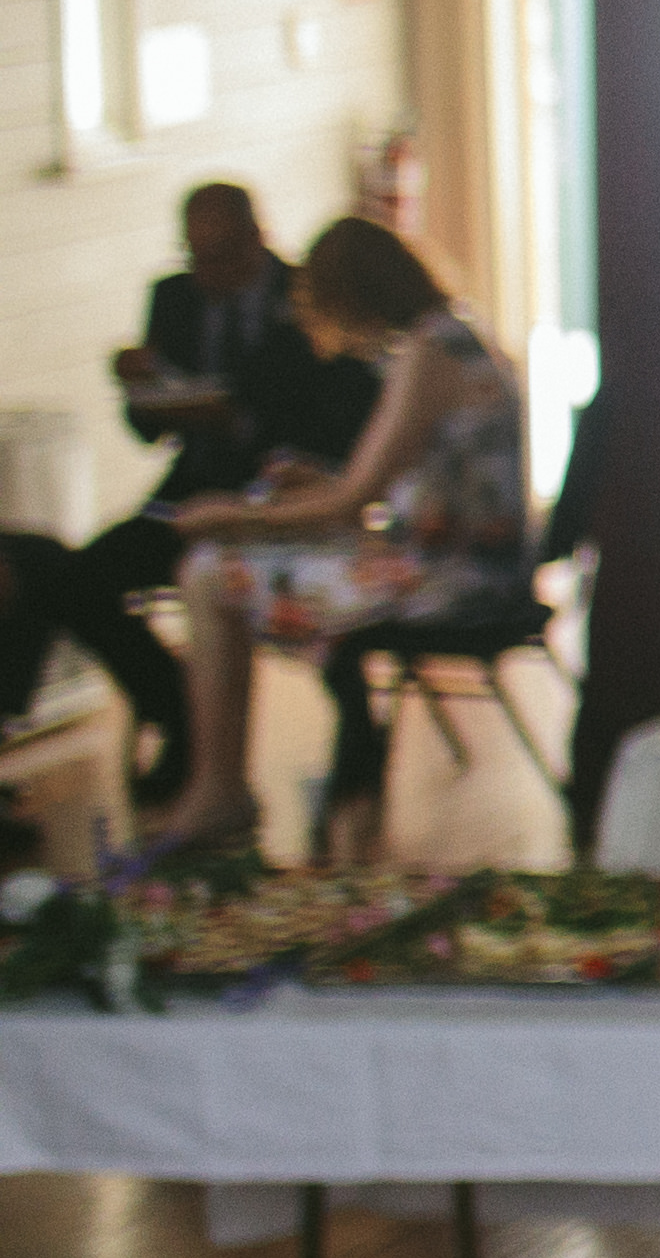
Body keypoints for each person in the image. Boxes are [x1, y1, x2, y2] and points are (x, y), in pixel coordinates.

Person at [147, 219, 528, 860]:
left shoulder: (427, 356)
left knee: (209, 570)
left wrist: (229, 515)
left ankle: (219, 789)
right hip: (464, 562)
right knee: (234, 560)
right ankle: (234, 782)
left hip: (448, 581)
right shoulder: (458, 336)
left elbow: (352, 503)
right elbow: (391, 487)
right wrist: (316, 482)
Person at [1, 182, 372, 799]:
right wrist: (141, 386)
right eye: (195, 255)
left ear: (256, 240)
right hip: (191, 491)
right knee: (80, 579)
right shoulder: (173, 298)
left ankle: (358, 734)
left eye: (218, 256)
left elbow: (311, 414)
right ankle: (179, 713)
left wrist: (228, 413)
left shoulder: (303, 296)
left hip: (285, 496)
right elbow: (149, 427)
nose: (204, 273)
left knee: (311, 584)